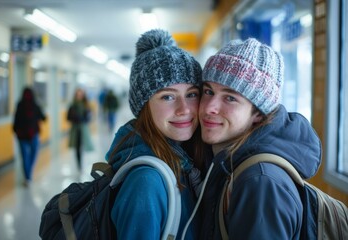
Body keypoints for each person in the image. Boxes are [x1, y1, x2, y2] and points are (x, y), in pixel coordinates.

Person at [197, 38, 322, 239]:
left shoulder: (260, 182)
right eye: (208, 91)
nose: (210, 106)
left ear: (259, 114)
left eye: (230, 98)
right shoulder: (228, 162)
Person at [104, 29, 205, 239]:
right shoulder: (146, 182)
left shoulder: (183, 158)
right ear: (144, 106)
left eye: (192, 94)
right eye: (168, 97)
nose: (184, 109)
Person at [13, 87, 46, 186]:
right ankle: (28, 175)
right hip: (32, 134)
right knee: (32, 154)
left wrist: (16, 130)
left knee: (25, 156)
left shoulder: (20, 104)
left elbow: (16, 120)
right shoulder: (35, 104)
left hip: (23, 135)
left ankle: (27, 177)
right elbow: (43, 118)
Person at [67, 88, 94, 171]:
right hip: (76, 129)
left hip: (84, 128)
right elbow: (68, 117)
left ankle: (82, 162)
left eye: (80, 94)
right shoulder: (72, 105)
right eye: (78, 95)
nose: (79, 96)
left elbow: (89, 117)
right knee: (78, 147)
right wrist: (75, 117)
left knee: (84, 145)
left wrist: (85, 117)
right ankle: (79, 164)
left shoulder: (86, 105)